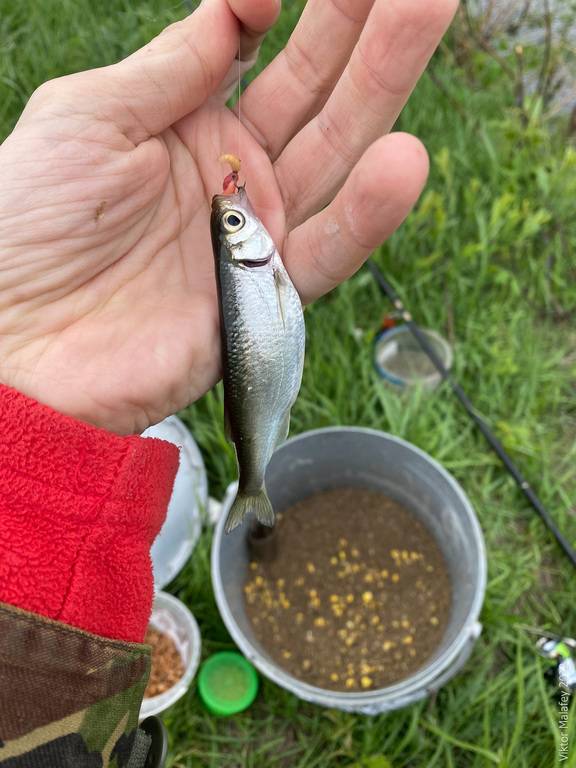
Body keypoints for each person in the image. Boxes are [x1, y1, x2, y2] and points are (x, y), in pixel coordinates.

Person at [0, 0, 457, 764]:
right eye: (234, 223)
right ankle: (255, 478)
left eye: (234, 222)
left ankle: (254, 477)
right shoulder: (246, 254)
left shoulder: (241, 254)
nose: (237, 218)